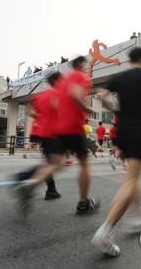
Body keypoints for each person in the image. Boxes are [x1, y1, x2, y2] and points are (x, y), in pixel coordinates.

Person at [92, 47, 141, 257]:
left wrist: (114, 110)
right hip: (137, 126)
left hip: (121, 128)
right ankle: (106, 230)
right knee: (131, 180)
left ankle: (136, 216)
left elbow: (101, 94)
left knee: (132, 176)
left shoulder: (118, 76)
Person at [16, 56, 99, 215]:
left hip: (57, 130)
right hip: (74, 127)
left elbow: (45, 106)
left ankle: (31, 185)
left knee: (54, 163)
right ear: (81, 65)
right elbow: (75, 94)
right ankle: (83, 203)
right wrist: (87, 109)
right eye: (85, 64)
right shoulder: (81, 77)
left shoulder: (62, 83)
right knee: (84, 163)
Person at [15, 72, 63, 201]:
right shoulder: (58, 94)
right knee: (56, 164)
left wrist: (38, 116)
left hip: (43, 134)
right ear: (58, 81)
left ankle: (51, 190)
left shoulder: (41, 96)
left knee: (49, 163)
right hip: (55, 133)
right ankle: (27, 179)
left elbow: (27, 109)